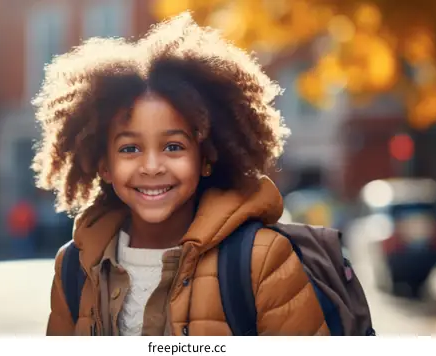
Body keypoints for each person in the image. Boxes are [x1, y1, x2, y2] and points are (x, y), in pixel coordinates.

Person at [34, 12, 329, 336]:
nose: (151, 166)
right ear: (104, 165)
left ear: (206, 157)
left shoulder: (261, 259)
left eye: (173, 147)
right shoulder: (74, 268)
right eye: (129, 149)